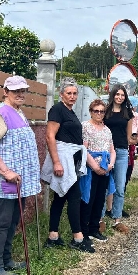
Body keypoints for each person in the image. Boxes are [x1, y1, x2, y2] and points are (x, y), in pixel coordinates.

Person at [0, 76, 42, 275]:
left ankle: (6, 260)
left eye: (23, 90)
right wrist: (6, 172)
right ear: (5, 92)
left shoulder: (18, 112)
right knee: (1, 224)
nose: (20, 94)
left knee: (13, 221)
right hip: (5, 183)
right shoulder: (1, 114)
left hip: (18, 183)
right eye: (15, 91)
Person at [41, 77, 93, 253]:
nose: (72, 96)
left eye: (75, 93)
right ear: (61, 94)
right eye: (69, 93)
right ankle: (78, 238)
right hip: (63, 160)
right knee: (74, 196)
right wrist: (56, 162)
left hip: (71, 159)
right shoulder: (57, 110)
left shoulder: (70, 111)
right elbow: (50, 136)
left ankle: (53, 237)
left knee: (60, 197)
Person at [102, 84, 138, 234]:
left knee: (119, 186)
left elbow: (128, 137)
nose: (120, 97)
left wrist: (135, 140)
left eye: (122, 95)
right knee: (104, 186)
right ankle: (100, 219)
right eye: (117, 94)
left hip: (122, 152)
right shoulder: (105, 111)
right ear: (113, 95)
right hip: (106, 152)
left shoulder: (128, 113)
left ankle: (117, 219)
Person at [80, 99, 116, 243]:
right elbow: (84, 149)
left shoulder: (107, 130)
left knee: (100, 199)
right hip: (91, 169)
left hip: (105, 169)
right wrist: (95, 167)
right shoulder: (85, 126)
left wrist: (110, 165)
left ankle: (94, 229)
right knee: (88, 199)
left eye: (102, 111)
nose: (99, 114)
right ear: (91, 112)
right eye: (96, 111)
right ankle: (83, 231)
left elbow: (112, 150)